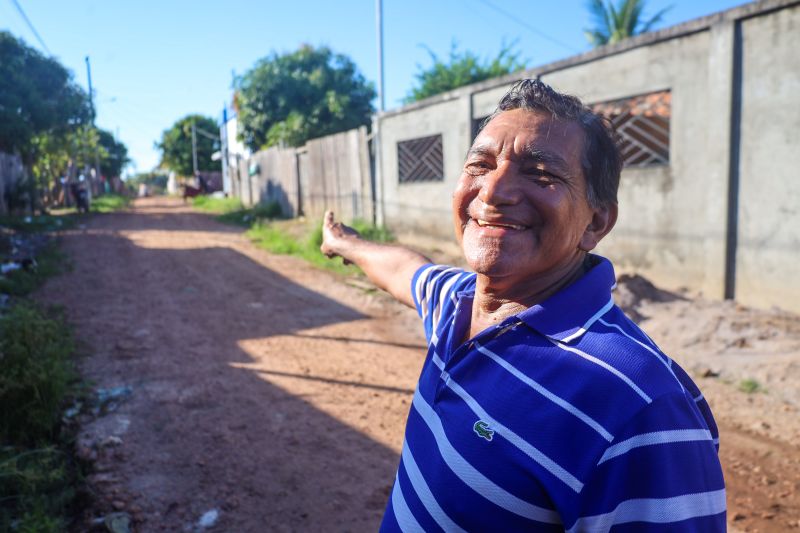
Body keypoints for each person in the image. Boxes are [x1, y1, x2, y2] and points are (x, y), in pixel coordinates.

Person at [321, 79, 725, 532]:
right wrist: (344, 243)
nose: (493, 192)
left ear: (595, 222)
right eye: (480, 164)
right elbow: (403, 270)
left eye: (540, 174)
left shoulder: (638, 404)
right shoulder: (458, 303)